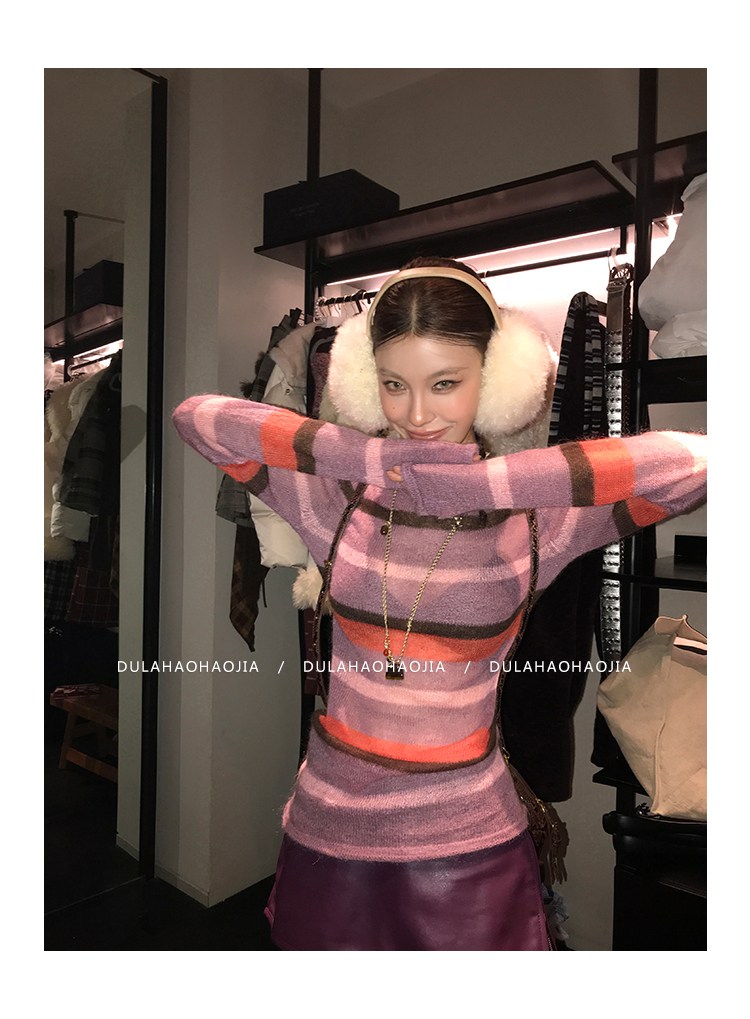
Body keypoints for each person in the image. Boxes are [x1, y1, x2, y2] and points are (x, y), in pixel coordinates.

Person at [173, 257, 707, 951]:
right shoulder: (337, 501)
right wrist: (369, 457)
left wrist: (481, 484)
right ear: (364, 381)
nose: (417, 414)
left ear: (499, 380)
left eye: (446, 383)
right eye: (393, 384)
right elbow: (201, 420)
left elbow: (695, 465)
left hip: (467, 841)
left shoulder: (535, 521)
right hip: (330, 827)